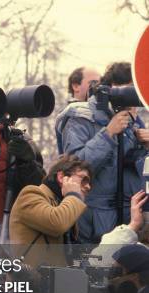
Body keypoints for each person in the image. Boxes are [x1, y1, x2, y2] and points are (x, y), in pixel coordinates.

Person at [56, 62, 148, 242]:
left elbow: (133, 170)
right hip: (90, 221)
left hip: (124, 219)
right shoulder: (80, 117)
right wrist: (108, 133)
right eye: (129, 88)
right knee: (89, 268)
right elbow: (74, 168)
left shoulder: (130, 119)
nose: (133, 96)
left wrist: (145, 147)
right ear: (111, 88)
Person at [9, 155, 91, 266]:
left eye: (90, 182)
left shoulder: (64, 204)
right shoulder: (31, 194)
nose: (88, 187)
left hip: (56, 279)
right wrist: (73, 195)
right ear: (62, 177)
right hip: (30, 279)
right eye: (84, 179)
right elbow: (57, 223)